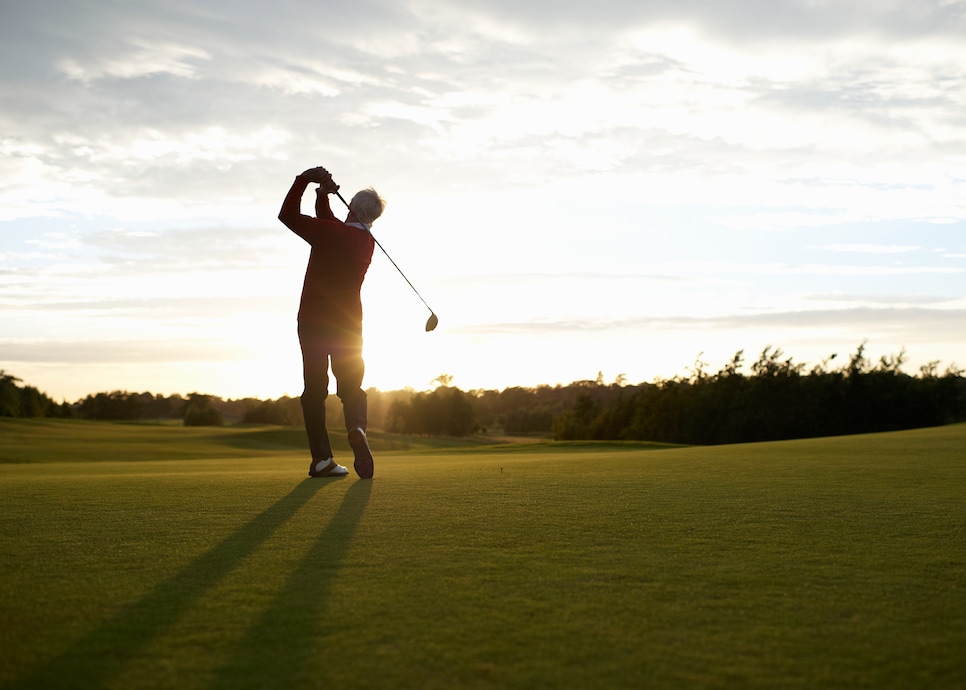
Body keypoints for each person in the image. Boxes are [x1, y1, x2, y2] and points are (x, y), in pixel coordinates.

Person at [278, 166, 385, 479]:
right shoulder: (366, 243)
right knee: (351, 388)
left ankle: (322, 460)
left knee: (314, 391)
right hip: (348, 327)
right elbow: (332, 226)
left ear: (350, 206)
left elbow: (288, 215)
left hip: (312, 322)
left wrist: (303, 180)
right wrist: (322, 196)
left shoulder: (332, 235)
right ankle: (356, 428)